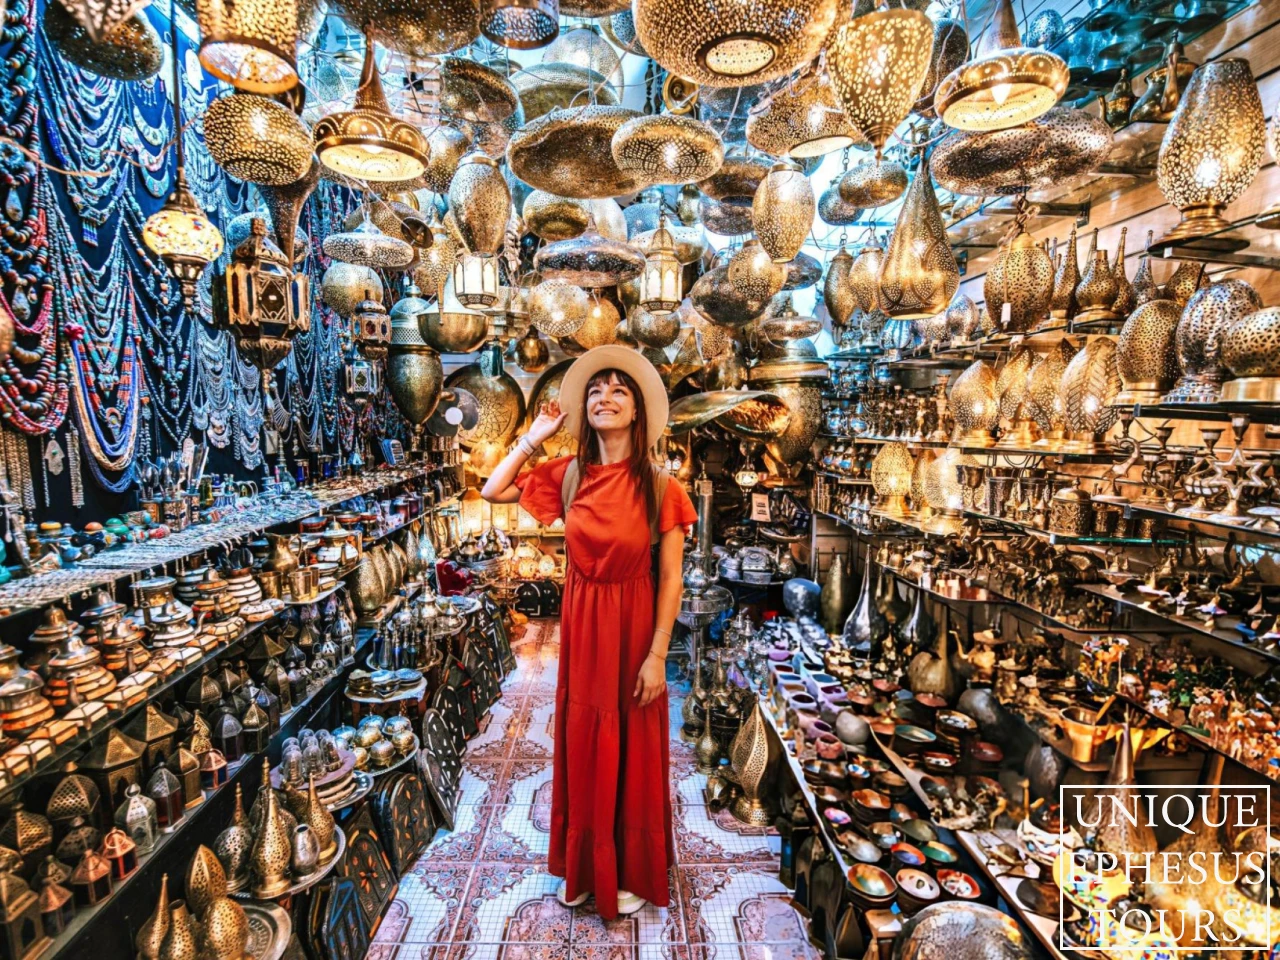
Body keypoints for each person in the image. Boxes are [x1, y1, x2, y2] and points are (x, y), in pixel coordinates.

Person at [481, 345, 697, 918]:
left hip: (634, 633)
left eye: (619, 390)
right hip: (584, 632)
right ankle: (583, 868)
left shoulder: (661, 488)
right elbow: (492, 489)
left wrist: (657, 655)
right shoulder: (568, 474)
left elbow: (671, 581)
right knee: (584, 742)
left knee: (631, 747)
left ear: (637, 411)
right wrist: (538, 434)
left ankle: (626, 870)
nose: (605, 397)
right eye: (595, 390)